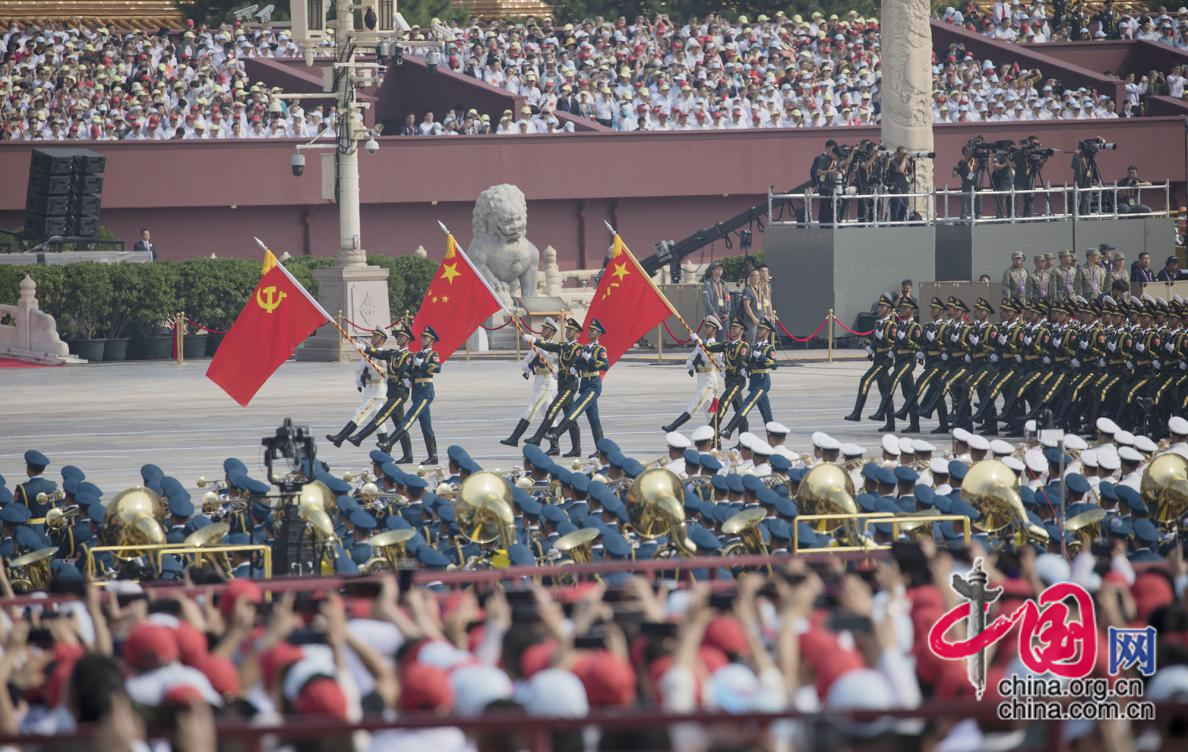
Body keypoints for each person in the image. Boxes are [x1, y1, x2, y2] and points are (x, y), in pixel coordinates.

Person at [347, 324, 414, 461]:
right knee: (400, 425)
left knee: (380, 417)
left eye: (401, 336)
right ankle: (408, 455)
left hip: (400, 393)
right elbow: (379, 353)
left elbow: (404, 372)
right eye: (398, 335)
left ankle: (359, 438)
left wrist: (398, 376)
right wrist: (364, 348)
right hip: (392, 392)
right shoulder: (393, 353)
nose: (398, 338)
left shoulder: (408, 356)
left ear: (407, 339)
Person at [523, 317, 583, 457]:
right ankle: (576, 449)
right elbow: (549, 347)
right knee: (571, 417)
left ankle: (537, 438)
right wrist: (534, 340)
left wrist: (562, 372)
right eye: (567, 329)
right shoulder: (563, 346)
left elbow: (573, 363)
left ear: (577, 334)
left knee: (553, 408)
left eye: (571, 330)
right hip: (562, 383)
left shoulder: (577, 348)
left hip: (570, 385)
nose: (568, 332)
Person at [547, 319, 609, 451]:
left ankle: (556, 433)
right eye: (589, 330)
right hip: (585, 384)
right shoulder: (585, 348)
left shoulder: (600, 349)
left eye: (592, 331)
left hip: (593, 385)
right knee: (594, 420)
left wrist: (589, 359)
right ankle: (601, 451)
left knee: (576, 408)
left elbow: (605, 366)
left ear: (598, 334)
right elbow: (579, 362)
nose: (589, 332)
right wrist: (575, 368)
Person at [385, 325, 442, 464]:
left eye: (426, 337)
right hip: (416, 392)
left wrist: (422, 365)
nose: (422, 339)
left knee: (409, 418)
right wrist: (407, 378)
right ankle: (433, 456)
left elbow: (437, 368)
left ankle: (389, 442)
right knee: (426, 426)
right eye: (422, 336)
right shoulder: (416, 355)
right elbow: (409, 369)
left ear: (432, 340)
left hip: (426, 391)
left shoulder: (432, 355)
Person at [325, 328, 389, 448]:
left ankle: (340, 437)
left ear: (382, 339)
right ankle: (386, 449)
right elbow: (359, 369)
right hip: (368, 390)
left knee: (360, 413)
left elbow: (387, 373)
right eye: (373, 335)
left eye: (376, 336)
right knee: (379, 423)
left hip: (377, 391)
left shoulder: (383, 355)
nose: (373, 338)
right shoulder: (368, 354)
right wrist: (359, 382)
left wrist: (375, 366)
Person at [501, 318, 559, 447]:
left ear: (552, 332)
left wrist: (543, 352)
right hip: (538, 381)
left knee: (532, 408)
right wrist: (526, 367)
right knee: (548, 414)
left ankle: (514, 438)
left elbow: (554, 361)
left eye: (545, 328)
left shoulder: (553, 347)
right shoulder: (536, 346)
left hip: (547, 383)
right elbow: (527, 359)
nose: (542, 330)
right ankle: (555, 446)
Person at [662, 315, 723, 433]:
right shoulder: (701, 344)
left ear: (714, 330)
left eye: (708, 327)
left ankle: (673, 426)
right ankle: (717, 440)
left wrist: (699, 342)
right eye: (705, 326)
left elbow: (708, 358)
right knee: (711, 414)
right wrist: (694, 363)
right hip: (701, 381)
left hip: (709, 382)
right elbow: (689, 361)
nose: (705, 329)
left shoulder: (716, 346)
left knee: (694, 406)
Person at [721, 317, 778, 438]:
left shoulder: (769, 348)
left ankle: (729, 429)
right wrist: (744, 369)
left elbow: (774, 365)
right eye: (759, 328)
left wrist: (761, 357)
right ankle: (774, 441)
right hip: (754, 382)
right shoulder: (753, 347)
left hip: (762, 382)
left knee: (746, 404)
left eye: (762, 329)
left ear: (767, 332)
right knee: (767, 417)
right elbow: (747, 362)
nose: (759, 331)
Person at [844, 293, 895, 422]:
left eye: (883, 306)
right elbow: (870, 339)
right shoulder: (877, 323)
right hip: (877, 359)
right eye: (880, 306)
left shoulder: (892, 325)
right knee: (885, 390)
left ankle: (857, 413)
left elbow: (893, 343)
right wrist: (868, 347)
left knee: (865, 380)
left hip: (885, 360)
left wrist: (881, 338)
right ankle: (890, 422)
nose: (880, 308)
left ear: (889, 309)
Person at [713, 318, 751, 448]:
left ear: (741, 331)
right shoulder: (727, 345)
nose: (732, 330)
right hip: (729, 380)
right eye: (732, 327)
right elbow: (712, 347)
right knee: (740, 412)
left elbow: (739, 361)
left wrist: (727, 367)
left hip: (737, 380)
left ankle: (714, 430)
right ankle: (743, 443)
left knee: (723, 402)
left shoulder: (743, 346)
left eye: (735, 328)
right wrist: (699, 341)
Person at [740, 268, 761, 344]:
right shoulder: (747, 290)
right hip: (751, 321)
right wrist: (753, 318)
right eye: (754, 276)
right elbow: (746, 306)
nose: (756, 278)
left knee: (759, 342)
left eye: (758, 276)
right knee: (751, 342)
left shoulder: (760, 289)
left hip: (760, 319)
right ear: (750, 278)